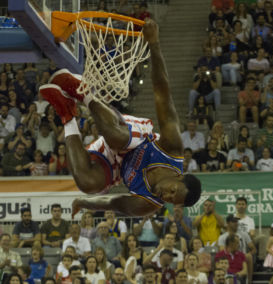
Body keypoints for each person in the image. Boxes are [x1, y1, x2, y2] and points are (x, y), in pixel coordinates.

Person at [39, 20, 201, 217]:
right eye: (173, 191)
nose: (166, 196)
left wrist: (84, 202)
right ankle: (84, 93)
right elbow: (163, 94)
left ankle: (66, 113)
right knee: (116, 137)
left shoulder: (148, 204)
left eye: (170, 200)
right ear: (179, 176)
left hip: (118, 164)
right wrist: (154, 43)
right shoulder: (173, 149)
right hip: (136, 139)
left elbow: (114, 203)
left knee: (88, 184)